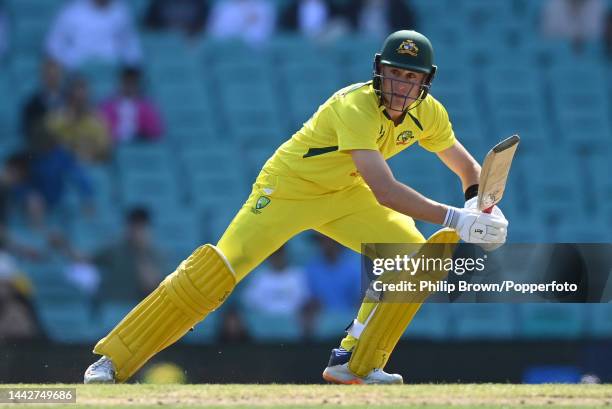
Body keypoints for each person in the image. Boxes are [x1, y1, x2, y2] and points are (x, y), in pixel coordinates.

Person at [83, 30, 508, 385]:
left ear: (425, 82)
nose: (400, 85)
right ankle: (112, 361)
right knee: (217, 272)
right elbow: (385, 191)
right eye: (394, 74)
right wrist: (457, 219)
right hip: (287, 188)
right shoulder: (354, 105)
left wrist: (482, 207)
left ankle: (353, 360)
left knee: (412, 254)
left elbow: (467, 166)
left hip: (343, 193)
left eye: (410, 78)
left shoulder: (429, 114)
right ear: (379, 71)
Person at [45, 0, 142, 69]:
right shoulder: (71, 11)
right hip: (76, 75)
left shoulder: (122, 11)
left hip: (112, 74)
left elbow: (132, 49)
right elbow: (53, 47)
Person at [99, 66, 164, 144]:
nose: (129, 85)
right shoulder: (107, 106)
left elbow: (156, 131)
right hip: (113, 146)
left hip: (140, 145)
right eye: (126, 81)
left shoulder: (147, 106)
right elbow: (99, 128)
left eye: (133, 82)